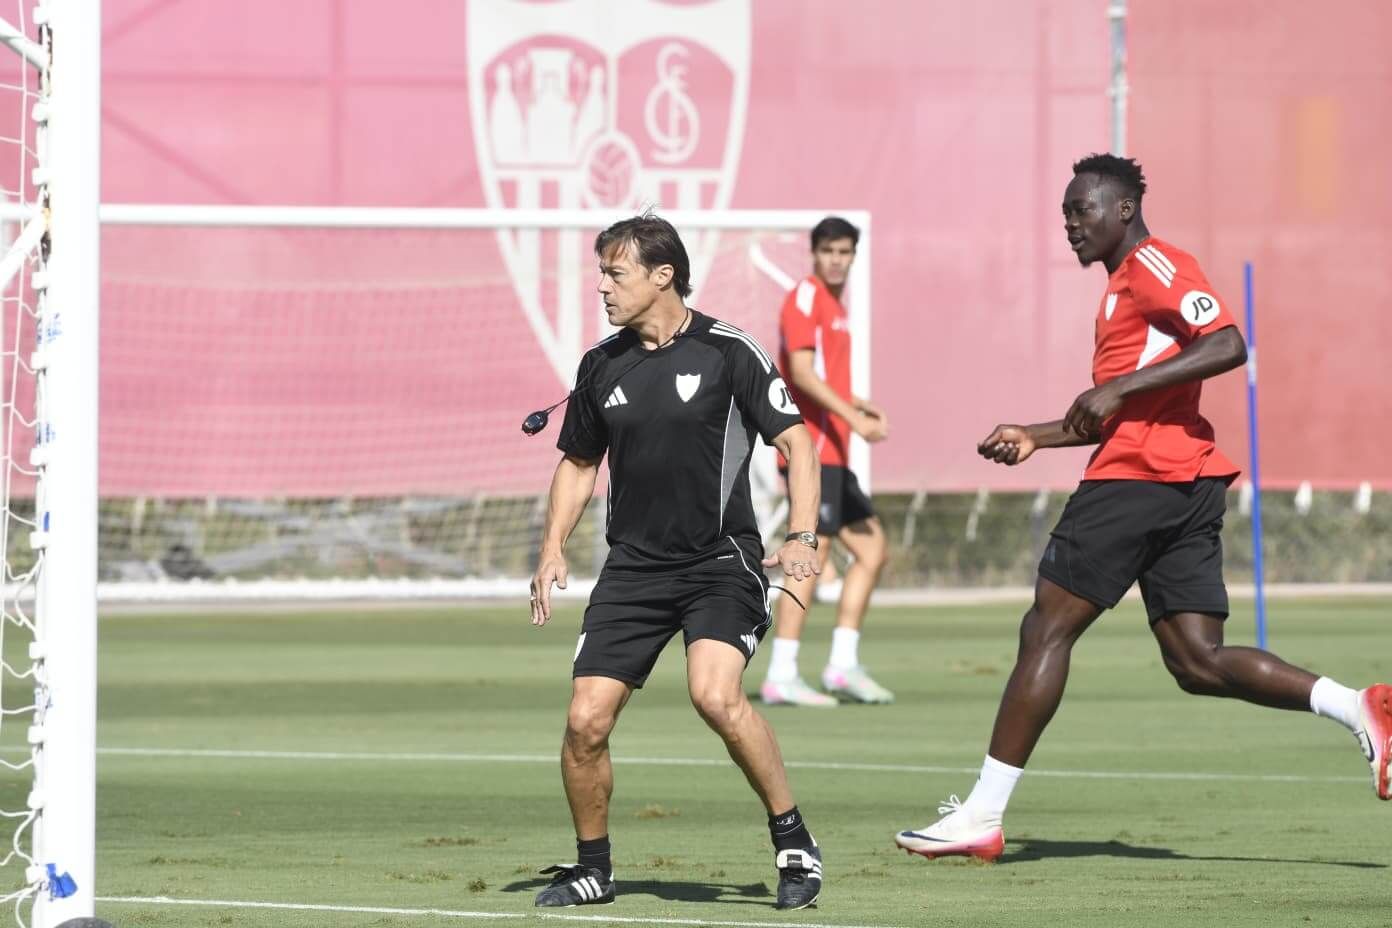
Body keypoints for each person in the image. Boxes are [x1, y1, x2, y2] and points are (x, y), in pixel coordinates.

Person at [895, 153, 1392, 861]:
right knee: (1198, 661)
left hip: (1138, 482)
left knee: (1045, 632)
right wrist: (1034, 436)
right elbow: (1108, 409)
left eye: (1083, 210)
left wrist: (1121, 390)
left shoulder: (1155, 266)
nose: (1070, 224)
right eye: (1066, 213)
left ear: (1123, 209)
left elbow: (1226, 342)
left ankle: (981, 813)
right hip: (1183, 481)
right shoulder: (1117, 292)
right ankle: (1359, 707)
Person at [529, 213, 826, 909]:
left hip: (719, 563)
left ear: (663, 275)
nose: (602, 286)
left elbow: (798, 445)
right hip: (632, 569)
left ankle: (794, 842)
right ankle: (592, 867)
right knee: (584, 722)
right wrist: (549, 550)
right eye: (601, 272)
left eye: (615, 273)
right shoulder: (601, 364)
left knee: (715, 696)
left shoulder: (729, 351)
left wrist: (804, 535)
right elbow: (577, 465)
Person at [759, 216, 893, 707]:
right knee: (809, 560)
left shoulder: (834, 304)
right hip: (810, 452)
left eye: (845, 252)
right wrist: (854, 420)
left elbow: (825, 381)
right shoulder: (806, 297)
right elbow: (800, 374)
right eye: (829, 251)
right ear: (814, 253)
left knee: (873, 550)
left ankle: (841, 666)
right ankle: (782, 672)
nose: (837, 260)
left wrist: (857, 404)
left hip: (834, 449)